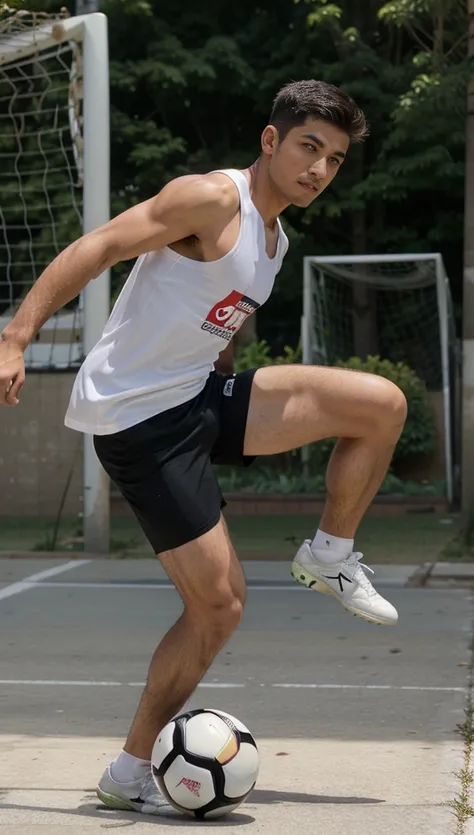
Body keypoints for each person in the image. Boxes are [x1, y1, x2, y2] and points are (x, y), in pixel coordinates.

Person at [0, 79, 407, 814]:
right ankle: (128, 772)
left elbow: (205, 320)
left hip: (197, 398)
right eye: (310, 146)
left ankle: (329, 554)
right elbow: (99, 247)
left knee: (380, 405)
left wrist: (223, 383)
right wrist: (16, 334)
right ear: (271, 140)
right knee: (219, 608)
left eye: (336, 159)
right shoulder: (213, 200)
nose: (320, 168)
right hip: (140, 421)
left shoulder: (275, 239)